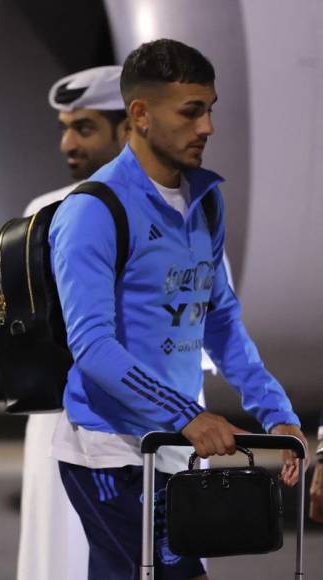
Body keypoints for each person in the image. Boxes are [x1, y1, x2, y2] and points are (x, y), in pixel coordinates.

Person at [49, 39, 306, 580]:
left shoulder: (205, 198)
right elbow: (93, 348)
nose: (207, 127)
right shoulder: (93, 211)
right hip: (111, 450)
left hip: (172, 447)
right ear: (139, 115)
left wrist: (275, 410)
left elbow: (220, 321)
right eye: (191, 111)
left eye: (209, 109)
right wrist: (186, 413)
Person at [17, 65, 129, 580]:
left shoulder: (181, 210)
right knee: (59, 559)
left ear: (129, 127)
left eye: (84, 128)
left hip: (142, 433)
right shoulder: (41, 213)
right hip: (58, 425)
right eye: (65, 127)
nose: (67, 142)